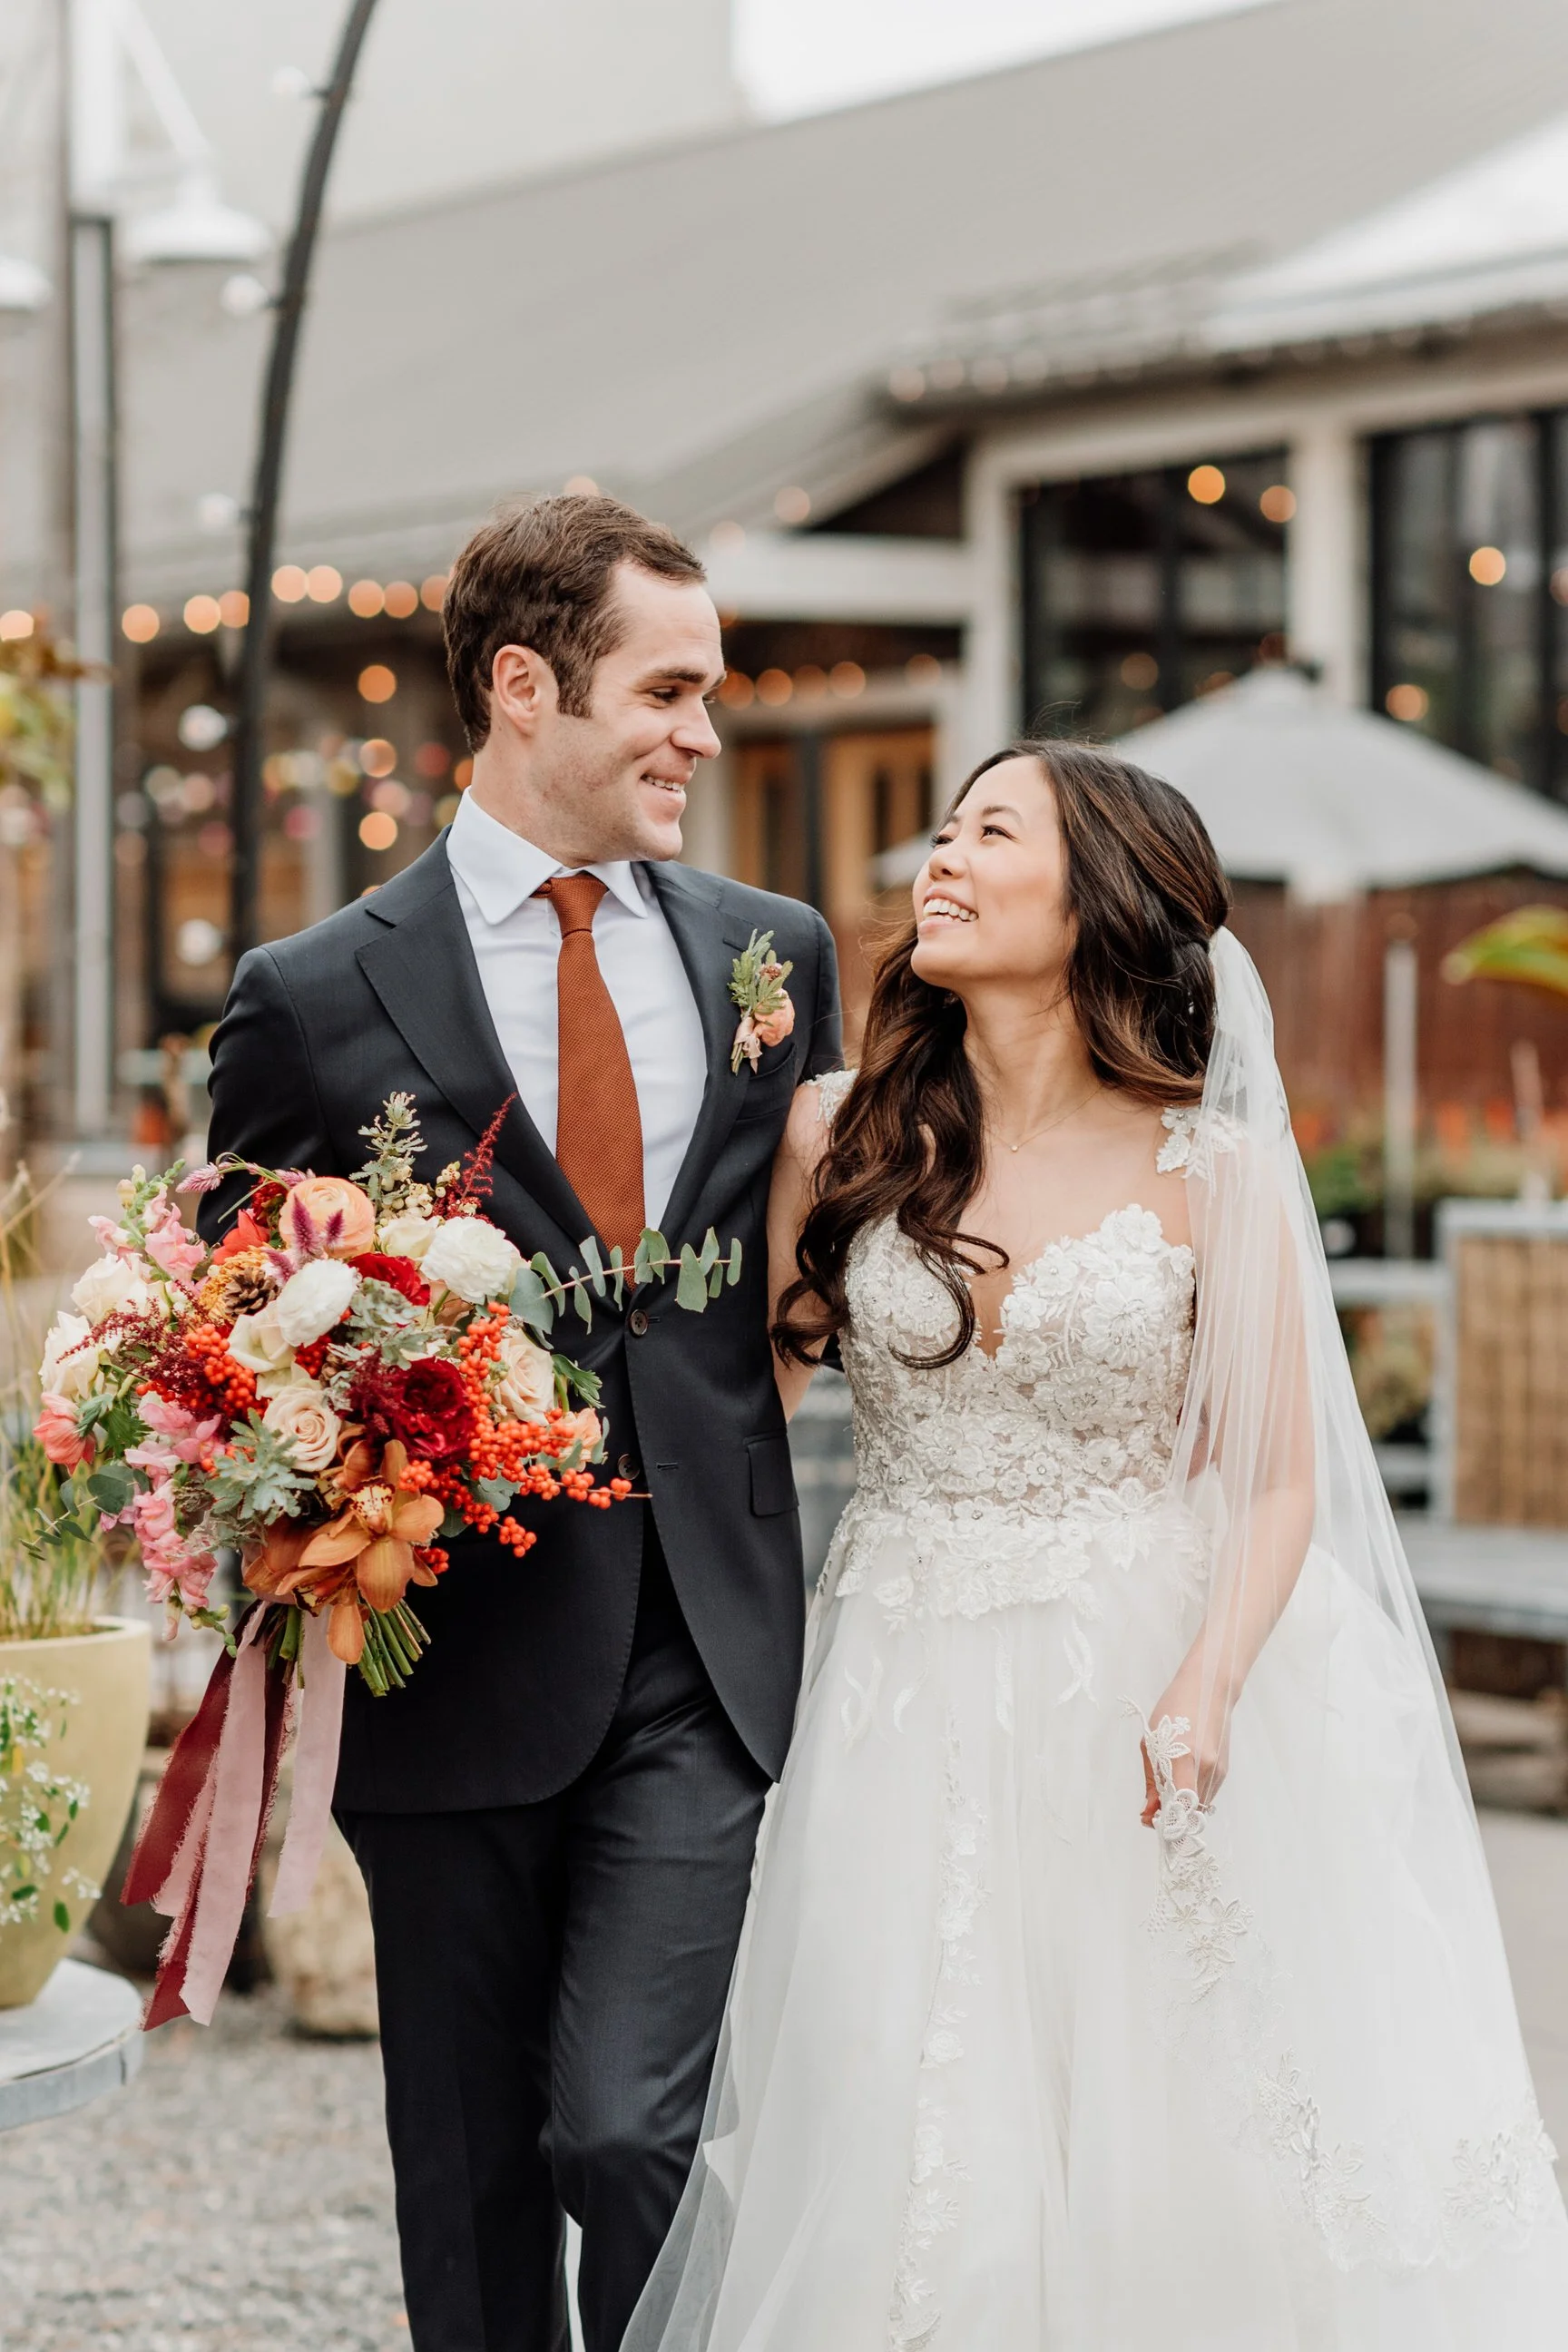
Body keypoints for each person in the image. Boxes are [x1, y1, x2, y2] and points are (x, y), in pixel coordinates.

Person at [623, 740, 1568, 2350]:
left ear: (1099, 897)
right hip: (899, 1683)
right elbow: (739, 1415)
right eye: (942, 828)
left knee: (1174, 2119)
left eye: (991, 832)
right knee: (908, 2106)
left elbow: (1276, 1480)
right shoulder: (834, 1139)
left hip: (1148, 1669)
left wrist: (1207, 1682)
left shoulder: (1222, 1161)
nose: (940, 857)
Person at [198, 495, 842, 2352]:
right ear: (521, 685)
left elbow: (812, 1258)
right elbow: (225, 1329)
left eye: (709, 696)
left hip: (700, 1647)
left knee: (633, 2133)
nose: (699, 737)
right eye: (666, 691)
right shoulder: (312, 1001)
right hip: (454, 1651)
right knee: (472, 2178)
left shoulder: (768, 955)